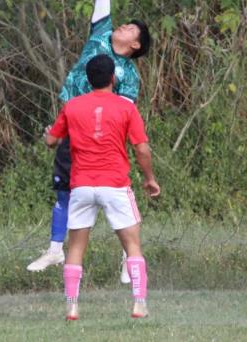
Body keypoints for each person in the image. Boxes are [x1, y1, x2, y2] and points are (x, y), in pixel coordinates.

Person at [26, 0, 152, 285]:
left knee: (115, 201)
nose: (123, 25)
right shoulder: (100, 35)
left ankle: (129, 261)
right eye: (124, 23)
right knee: (66, 190)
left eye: (130, 28)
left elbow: (123, 115)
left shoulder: (129, 75)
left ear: (136, 45)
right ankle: (54, 249)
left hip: (104, 140)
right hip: (73, 128)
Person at [44, 54, 160, 320]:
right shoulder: (126, 107)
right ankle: (139, 303)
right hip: (115, 184)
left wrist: (48, 136)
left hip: (81, 184)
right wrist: (150, 178)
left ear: (87, 79)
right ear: (112, 79)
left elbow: (52, 140)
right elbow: (141, 148)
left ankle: (72, 306)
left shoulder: (72, 106)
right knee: (132, 242)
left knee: (75, 247)